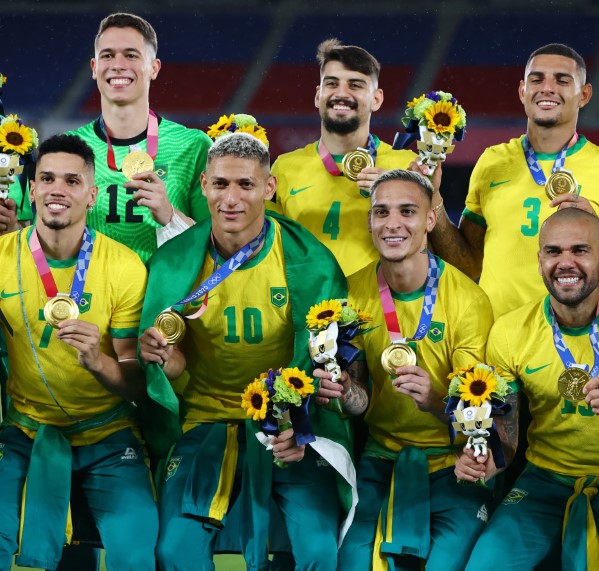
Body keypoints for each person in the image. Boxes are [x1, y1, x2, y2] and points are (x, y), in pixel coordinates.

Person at [138, 133, 354, 571]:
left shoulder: (311, 262)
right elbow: (173, 371)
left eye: (246, 185)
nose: (231, 199)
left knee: (318, 550)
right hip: (206, 420)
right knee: (173, 551)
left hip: (291, 426)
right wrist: (166, 362)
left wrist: (299, 424)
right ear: (203, 185)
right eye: (220, 184)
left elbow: (326, 363)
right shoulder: (173, 263)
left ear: (269, 188)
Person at [315, 169, 517, 570]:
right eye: (381, 212)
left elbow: (483, 413)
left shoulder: (469, 300)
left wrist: (436, 400)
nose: (392, 223)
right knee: (353, 563)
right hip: (380, 458)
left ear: (430, 219)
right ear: (369, 221)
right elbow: (358, 399)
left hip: (453, 460)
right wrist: (345, 392)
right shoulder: (349, 294)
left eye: (407, 211)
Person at [465, 207, 599, 570]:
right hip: (544, 479)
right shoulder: (509, 332)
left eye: (580, 250)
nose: (565, 262)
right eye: (554, 251)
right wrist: (488, 460)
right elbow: (507, 439)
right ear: (539, 261)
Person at [0, 134, 156, 570]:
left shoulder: (123, 266)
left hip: (108, 436)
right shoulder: (1, 259)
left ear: (91, 195)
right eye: (47, 179)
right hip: (24, 433)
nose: (57, 190)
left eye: (72, 181)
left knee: (136, 555)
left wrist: (97, 361)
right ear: (31, 189)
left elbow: (135, 383)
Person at [426, 43, 599, 318]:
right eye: (537, 79)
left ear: (584, 95)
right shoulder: (492, 162)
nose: (547, 88)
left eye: (562, 80)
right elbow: (467, 266)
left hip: (572, 336)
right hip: (496, 334)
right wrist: (433, 196)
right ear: (522, 91)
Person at [67, 12, 212, 262]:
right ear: (94, 67)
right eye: (107, 55)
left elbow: (217, 241)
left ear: (154, 68)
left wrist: (170, 216)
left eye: (131, 55)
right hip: (91, 286)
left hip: (167, 287)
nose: (118, 64)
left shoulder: (193, 146)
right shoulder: (69, 149)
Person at [270, 39, 417, 276]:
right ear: (318, 95)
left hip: (378, 298)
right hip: (307, 299)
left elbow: (429, 252)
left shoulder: (406, 165)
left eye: (355, 85)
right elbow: (268, 250)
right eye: (331, 83)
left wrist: (398, 195)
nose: (341, 93)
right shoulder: (284, 168)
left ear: (376, 99)